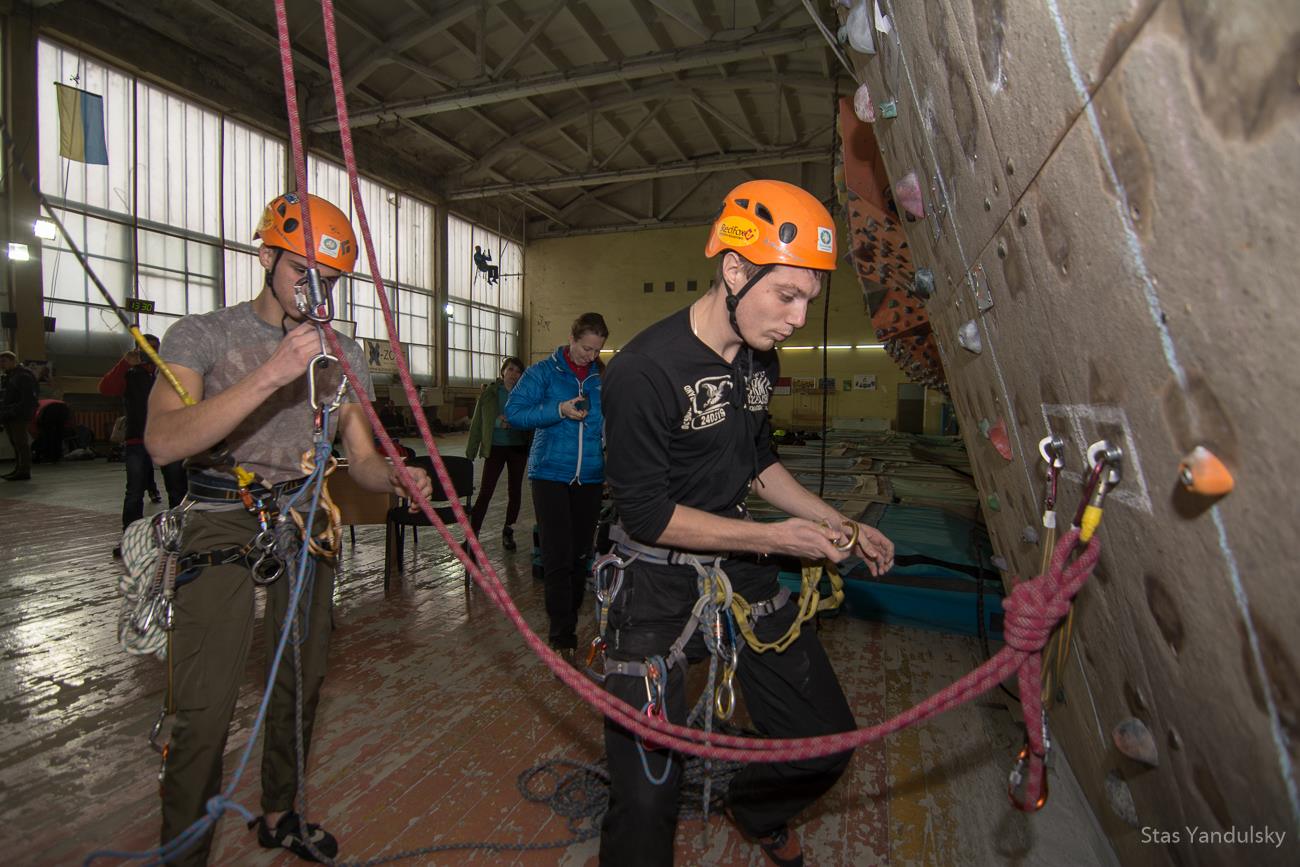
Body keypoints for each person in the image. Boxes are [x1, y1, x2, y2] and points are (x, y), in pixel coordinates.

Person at [600, 179, 896, 866]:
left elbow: (758, 461)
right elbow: (645, 514)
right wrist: (771, 538)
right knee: (647, 801)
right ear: (735, 269)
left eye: (807, 301)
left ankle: (755, 805)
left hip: (738, 563)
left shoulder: (761, 359)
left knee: (824, 736)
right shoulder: (645, 371)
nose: (795, 317)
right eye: (785, 295)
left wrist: (837, 520)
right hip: (653, 581)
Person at [144, 192, 432, 865]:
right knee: (204, 710)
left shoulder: (344, 353)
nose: (318, 289)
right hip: (220, 517)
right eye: (304, 270)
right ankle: (182, 852)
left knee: (301, 682)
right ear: (266, 255)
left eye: (330, 279)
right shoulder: (201, 334)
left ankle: (281, 812)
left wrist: (391, 474)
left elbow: (357, 455)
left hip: (303, 517)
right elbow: (162, 440)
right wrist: (273, 373)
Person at [504, 313, 608, 659]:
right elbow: (515, 412)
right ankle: (562, 635)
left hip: (590, 476)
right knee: (557, 556)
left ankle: (570, 615)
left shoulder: (600, 378)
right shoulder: (542, 373)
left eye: (597, 351)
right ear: (572, 338)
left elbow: (613, 422)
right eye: (586, 348)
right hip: (550, 473)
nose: (590, 356)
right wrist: (558, 409)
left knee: (581, 555)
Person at [99, 334, 187, 556]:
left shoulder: (168, 372)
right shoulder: (129, 373)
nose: (149, 353)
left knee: (177, 490)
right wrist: (124, 364)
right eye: (144, 349)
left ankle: (181, 537)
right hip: (138, 439)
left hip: (170, 439)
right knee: (134, 491)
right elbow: (106, 389)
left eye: (154, 348)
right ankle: (131, 539)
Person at [466, 356, 528, 551]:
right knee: (486, 492)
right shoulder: (490, 393)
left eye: (518, 372)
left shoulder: (526, 394)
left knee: (515, 492)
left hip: (518, 447)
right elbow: (478, 422)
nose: (513, 375)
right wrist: (471, 450)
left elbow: (532, 418)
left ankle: (508, 531)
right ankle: (472, 536)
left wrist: (517, 421)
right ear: (503, 372)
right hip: (496, 447)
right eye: (510, 370)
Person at [0, 351, 38, 481]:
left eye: (4, 361)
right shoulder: (9, 376)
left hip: (19, 415)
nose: (1, 364)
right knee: (15, 443)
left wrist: (13, 411)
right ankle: (19, 468)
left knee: (21, 443)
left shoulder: (23, 376)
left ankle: (24, 470)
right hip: (9, 414)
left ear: (12, 361)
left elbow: (27, 399)